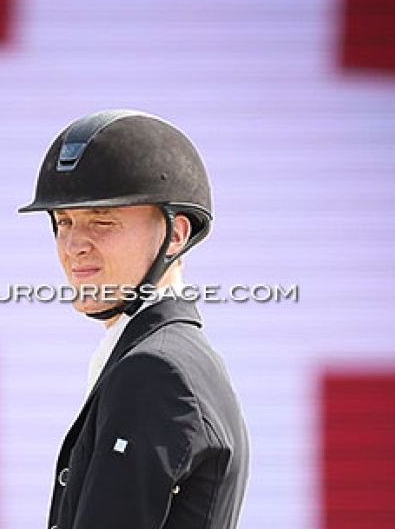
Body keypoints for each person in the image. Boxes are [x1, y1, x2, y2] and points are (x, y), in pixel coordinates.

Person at [19, 109, 249, 529]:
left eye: (102, 221)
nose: (72, 246)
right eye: (63, 222)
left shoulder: (155, 371)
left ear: (175, 234)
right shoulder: (169, 358)